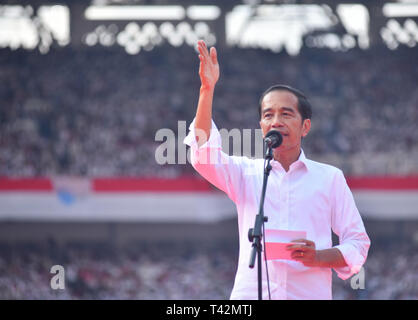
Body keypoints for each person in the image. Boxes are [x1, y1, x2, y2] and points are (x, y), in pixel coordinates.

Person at [183, 40, 370, 300]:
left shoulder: (329, 178)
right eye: (268, 115)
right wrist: (207, 89)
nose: (276, 121)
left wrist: (318, 257)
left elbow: (358, 243)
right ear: (261, 125)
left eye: (286, 114)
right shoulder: (245, 173)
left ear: (305, 127)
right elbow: (203, 154)